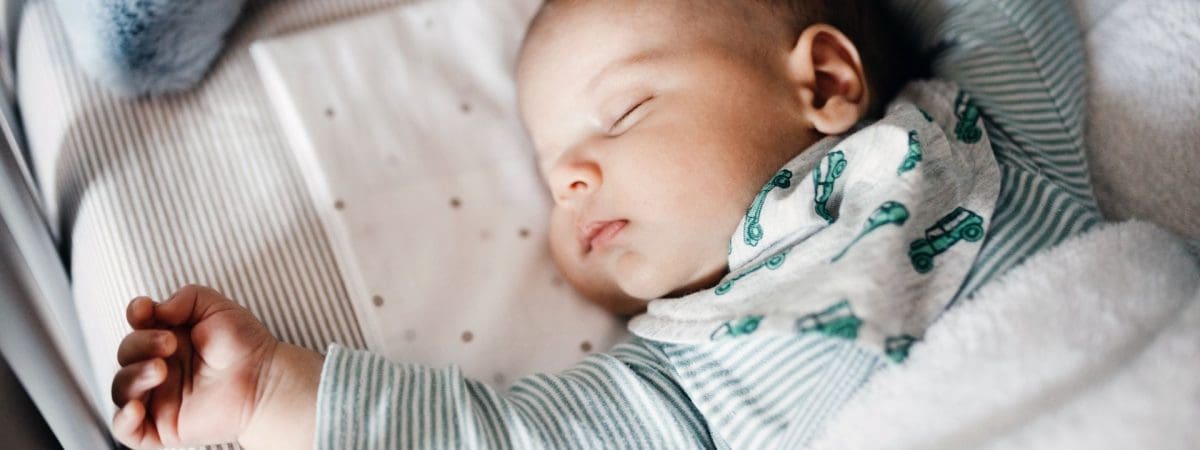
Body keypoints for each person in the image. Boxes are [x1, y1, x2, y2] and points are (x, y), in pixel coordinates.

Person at [109, 0, 1099, 448]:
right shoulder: (679, 379)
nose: (572, 180)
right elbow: (500, 442)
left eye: (621, 115)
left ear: (827, 81)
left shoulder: (976, 135)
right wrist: (274, 390)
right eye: (550, 179)